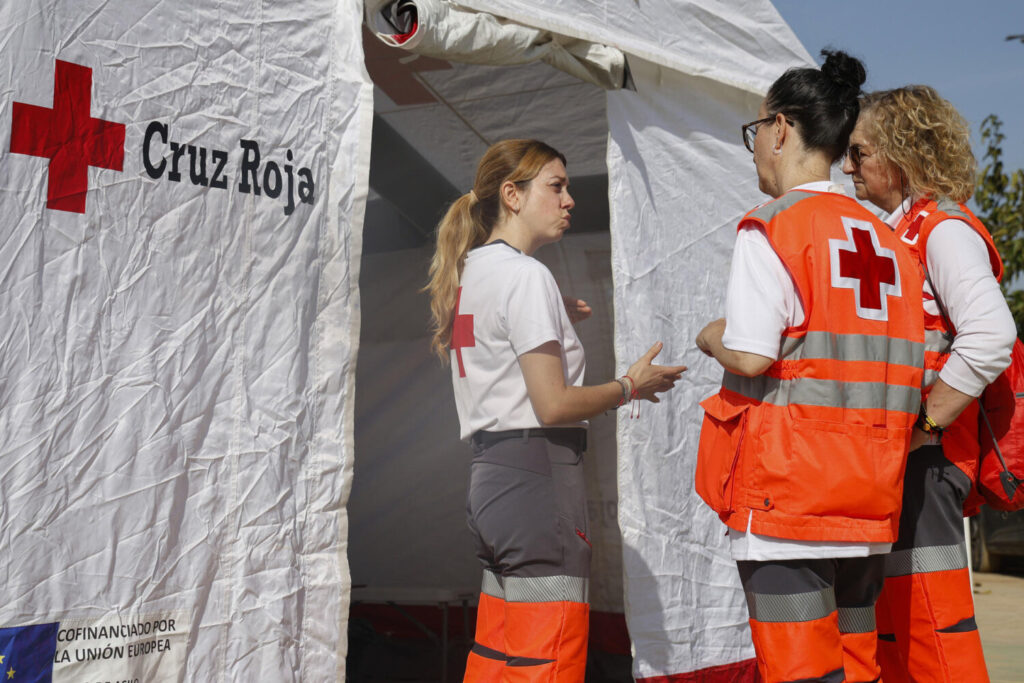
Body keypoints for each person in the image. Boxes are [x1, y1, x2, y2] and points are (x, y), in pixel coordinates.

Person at [694, 51, 927, 683]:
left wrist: (710, 337)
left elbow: (750, 353)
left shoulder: (774, 227)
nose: (754, 151)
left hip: (789, 499)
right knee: (856, 668)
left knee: (800, 673)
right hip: (871, 496)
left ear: (779, 129)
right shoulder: (891, 241)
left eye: (755, 134)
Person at [426, 139, 686, 682]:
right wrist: (628, 385)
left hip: (491, 481)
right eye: (556, 186)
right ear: (512, 196)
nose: (569, 200)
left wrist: (551, 312)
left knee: (499, 656)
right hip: (538, 481)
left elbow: (496, 342)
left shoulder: (471, 270)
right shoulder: (524, 276)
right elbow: (553, 405)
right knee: (547, 659)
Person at [842, 85, 1016, 683]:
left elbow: (991, 334)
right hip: (909, 459)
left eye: (859, 153)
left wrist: (925, 425)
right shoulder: (907, 228)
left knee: (932, 629)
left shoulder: (943, 229)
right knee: (899, 629)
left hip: (930, 458)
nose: (848, 167)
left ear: (899, 152)